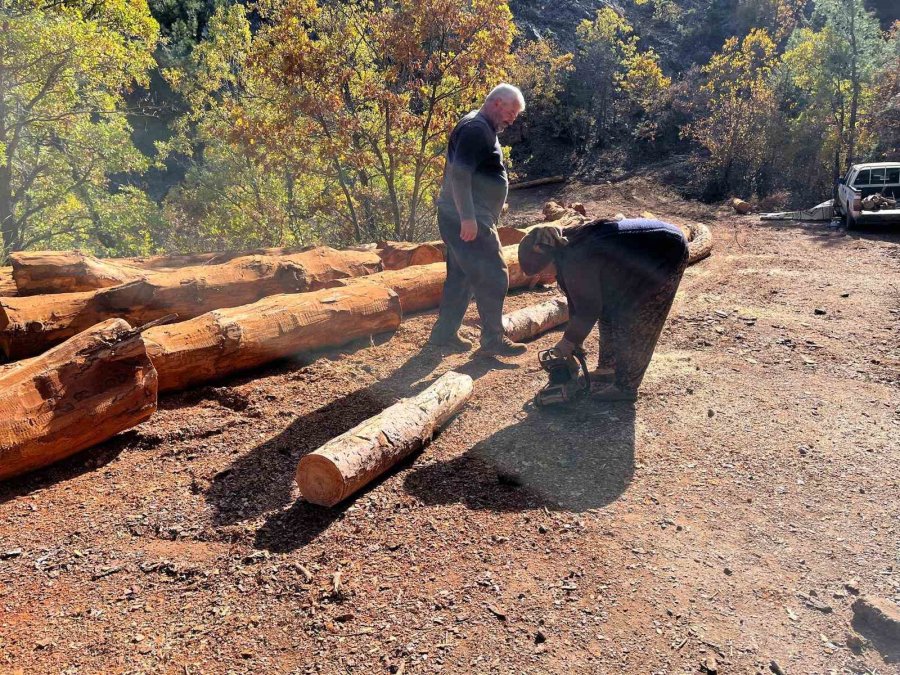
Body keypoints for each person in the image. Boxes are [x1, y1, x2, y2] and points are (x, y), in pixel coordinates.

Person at [518, 218, 689, 401]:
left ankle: (626, 387)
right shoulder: (564, 249)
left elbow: (588, 309)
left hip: (666, 250)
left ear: (548, 257)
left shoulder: (576, 257)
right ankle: (608, 367)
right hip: (636, 259)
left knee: (634, 317)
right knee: (609, 307)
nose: (541, 277)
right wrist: (576, 342)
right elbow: (578, 301)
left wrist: (567, 343)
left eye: (541, 271)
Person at [427, 84, 528, 357]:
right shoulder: (475, 129)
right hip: (468, 217)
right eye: (511, 112)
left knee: (461, 276)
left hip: (460, 214)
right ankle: (493, 339)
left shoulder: (481, 126)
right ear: (497, 103)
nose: (512, 119)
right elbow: (459, 175)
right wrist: (468, 218)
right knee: (495, 274)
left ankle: (443, 335)